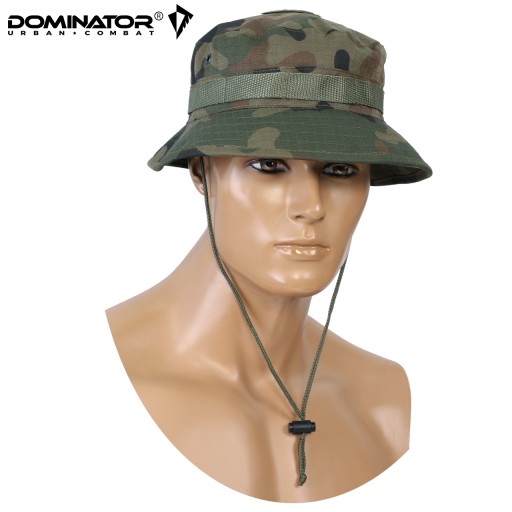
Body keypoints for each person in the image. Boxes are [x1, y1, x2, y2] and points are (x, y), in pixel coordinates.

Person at [106, 10, 432, 503]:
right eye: (269, 164)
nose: (310, 206)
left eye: (340, 170)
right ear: (200, 172)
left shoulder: (384, 398)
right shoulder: (87, 377)